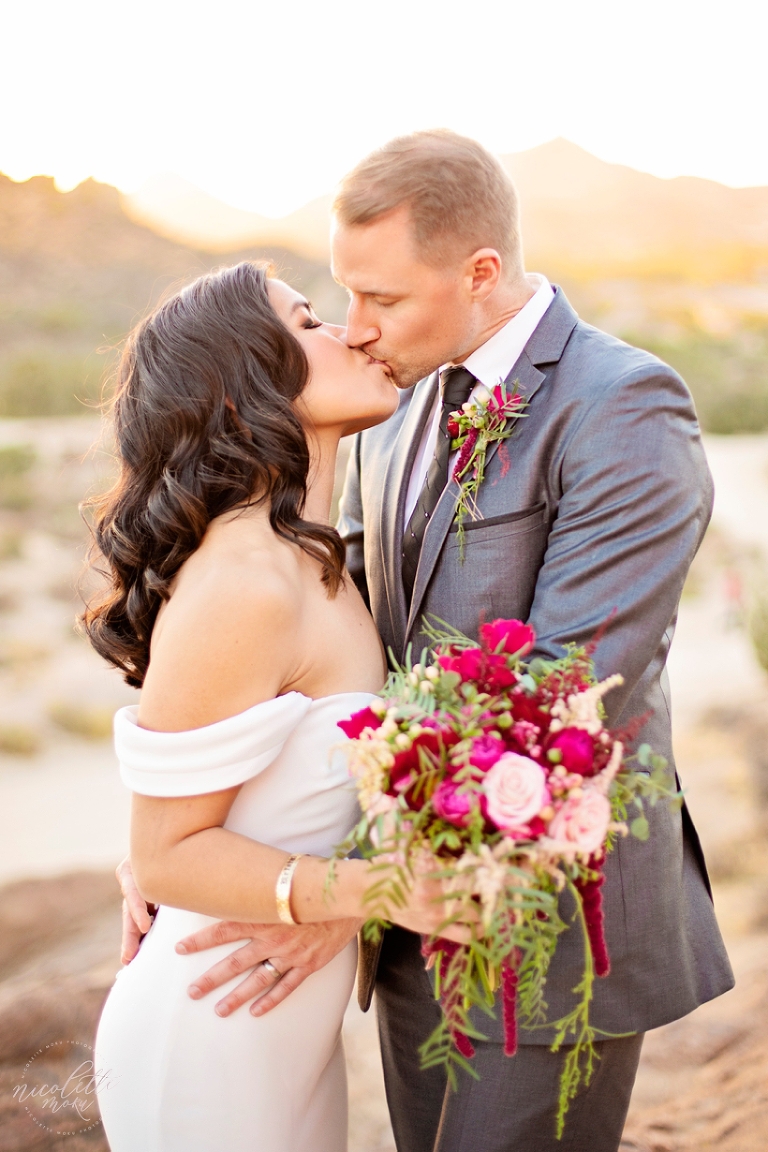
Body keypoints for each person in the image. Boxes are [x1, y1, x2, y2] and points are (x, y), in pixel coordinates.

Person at [118, 131, 734, 1152]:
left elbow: (564, 699)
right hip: (410, 928)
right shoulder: (394, 414)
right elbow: (333, 652)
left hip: (544, 925)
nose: (359, 329)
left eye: (383, 301)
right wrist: (189, 832)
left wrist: (337, 887)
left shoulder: (621, 405)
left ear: (481, 272)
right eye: (339, 298)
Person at [85, 262, 473, 1152]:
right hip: (212, 1024)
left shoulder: (317, 562)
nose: (350, 330)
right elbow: (167, 852)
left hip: (282, 1034)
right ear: (244, 385)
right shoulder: (246, 579)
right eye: (310, 321)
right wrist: (375, 889)